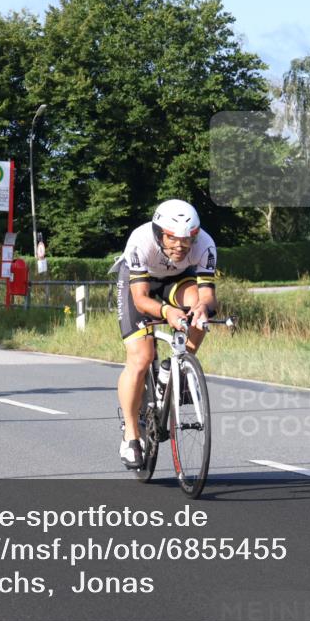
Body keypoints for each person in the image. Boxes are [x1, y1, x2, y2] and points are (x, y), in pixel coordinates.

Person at [113, 199, 218, 468]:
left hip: (176, 281)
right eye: (173, 239)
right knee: (141, 357)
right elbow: (140, 300)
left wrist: (203, 309)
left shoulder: (205, 244)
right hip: (139, 284)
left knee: (197, 306)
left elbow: (207, 294)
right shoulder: (140, 241)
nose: (181, 246)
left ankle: (179, 365)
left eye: (188, 240)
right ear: (160, 233)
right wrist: (168, 312)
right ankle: (130, 436)